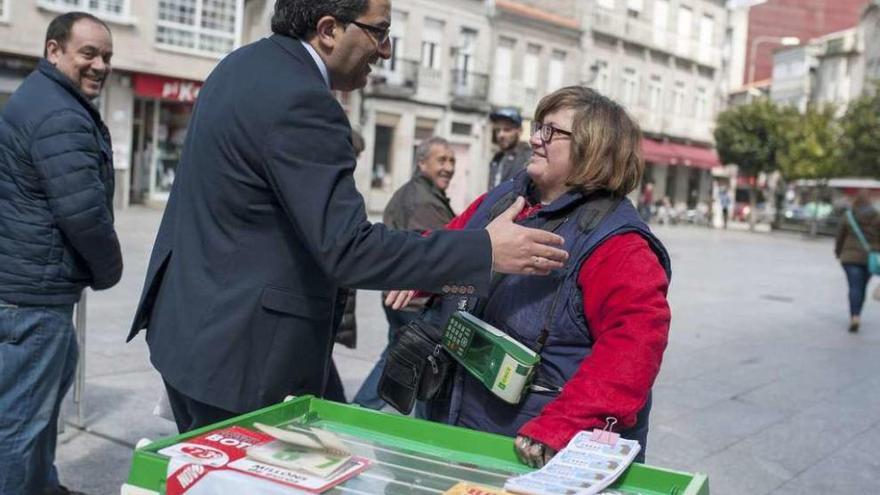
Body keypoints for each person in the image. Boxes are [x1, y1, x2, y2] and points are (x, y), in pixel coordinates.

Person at [128, 0, 568, 434]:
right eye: (379, 32)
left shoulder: (244, 64)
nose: (387, 51)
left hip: (191, 333)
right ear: (328, 30)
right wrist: (485, 251)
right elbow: (349, 249)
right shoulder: (304, 101)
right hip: (241, 357)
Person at [387, 86, 671, 467]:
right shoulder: (509, 195)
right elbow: (456, 237)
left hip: (530, 448)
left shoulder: (618, 244)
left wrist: (562, 425)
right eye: (538, 127)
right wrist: (423, 271)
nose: (534, 138)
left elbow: (634, 349)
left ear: (593, 148)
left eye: (551, 131)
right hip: (455, 419)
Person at [0, 12, 121, 495]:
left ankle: (42, 486)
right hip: (34, 297)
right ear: (54, 51)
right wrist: (109, 270)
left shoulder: (38, 97)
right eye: (87, 53)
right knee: (19, 422)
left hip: (25, 286)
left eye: (106, 56)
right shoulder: (60, 114)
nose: (99, 65)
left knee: (38, 408)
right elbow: (83, 213)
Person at [353, 137, 457, 409]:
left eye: (452, 161)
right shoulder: (423, 201)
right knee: (410, 357)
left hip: (401, 295)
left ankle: (362, 408)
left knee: (399, 355)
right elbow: (439, 252)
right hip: (412, 300)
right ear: (422, 163)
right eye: (441, 160)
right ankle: (362, 408)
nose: (448, 167)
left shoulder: (420, 193)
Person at [835, 191, 880, 333]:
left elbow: (840, 236)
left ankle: (855, 316)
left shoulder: (848, 216)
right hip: (870, 258)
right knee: (862, 287)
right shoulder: (877, 217)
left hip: (850, 257)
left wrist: (838, 252)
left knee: (854, 287)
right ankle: (857, 314)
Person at [488, 107, 531, 190]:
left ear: (520, 130)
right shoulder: (496, 159)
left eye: (507, 130)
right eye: (497, 130)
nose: (501, 135)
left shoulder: (528, 158)